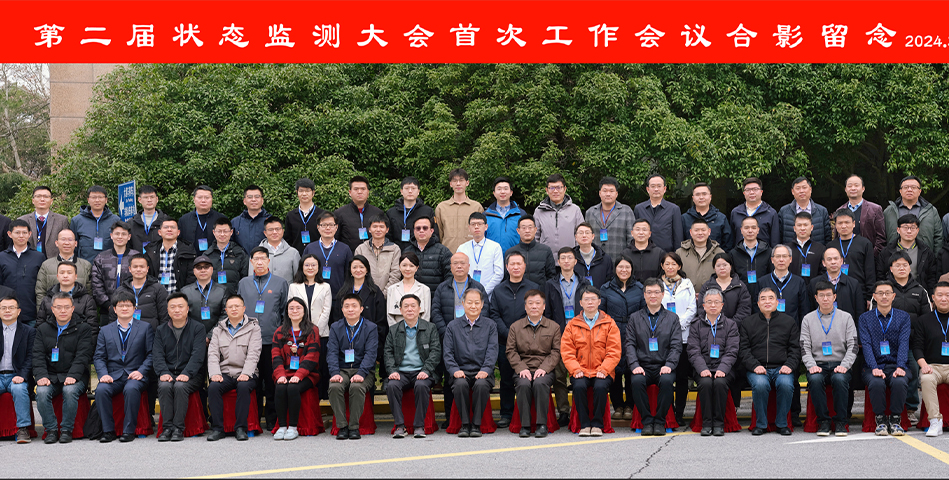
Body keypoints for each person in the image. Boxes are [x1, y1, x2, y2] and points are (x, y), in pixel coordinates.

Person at [431, 252, 487, 423]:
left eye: (463, 263)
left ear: (469, 266)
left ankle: (473, 419)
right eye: (455, 263)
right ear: (451, 267)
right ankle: (450, 418)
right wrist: (446, 332)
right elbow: (436, 311)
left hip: (472, 337)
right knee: (450, 378)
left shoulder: (478, 287)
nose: (459, 266)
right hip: (449, 338)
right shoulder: (442, 287)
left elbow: (484, 311)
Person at [33, 292, 95, 444]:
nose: (63, 311)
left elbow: (83, 356)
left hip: (76, 375)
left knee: (70, 390)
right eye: (58, 307)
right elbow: (37, 355)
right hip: (51, 375)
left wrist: (73, 375)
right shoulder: (43, 329)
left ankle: (67, 430)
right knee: (41, 392)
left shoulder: (83, 328)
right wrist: (41, 376)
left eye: (66, 307)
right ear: (52, 309)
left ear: (73, 308)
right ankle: (51, 430)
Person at [239, 246, 290, 430]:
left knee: (271, 380)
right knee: (253, 380)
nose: (259, 262)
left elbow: (284, 311)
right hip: (248, 340)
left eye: (263, 258)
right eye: (256, 259)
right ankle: (254, 417)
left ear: (269, 261)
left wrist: (282, 336)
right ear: (251, 262)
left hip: (271, 339)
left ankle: (271, 417)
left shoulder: (280, 283)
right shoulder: (244, 283)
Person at [94, 291, 154, 443]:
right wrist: (103, 374)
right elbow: (99, 356)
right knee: (101, 389)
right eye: (121, 305)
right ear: (114, 309)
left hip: (136, 374)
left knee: (131, 388)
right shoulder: (105, 330)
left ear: (134, 308)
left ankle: (128, 431)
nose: (125, 308)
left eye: (128, 305)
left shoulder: (145, 328)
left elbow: (151, 354)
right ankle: (108, 431)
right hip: (113, 375)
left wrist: (141, 371)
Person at [488, 251, 540, 427]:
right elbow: (494, 314)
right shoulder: (498, 290)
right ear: (507, 267)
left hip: (529, 342)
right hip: (504, 341)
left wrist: (523, 334)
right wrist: (509, 333)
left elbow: (537, 313)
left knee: (527, 377)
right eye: (512, 264)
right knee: (506, 379)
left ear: (524, 266)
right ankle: (507, 413)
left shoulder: (533, 289)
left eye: (519, 264)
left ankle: (527, 413)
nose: (516, 267)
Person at [801, 280, 859, 436]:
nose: (825, 299)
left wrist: (845, 365)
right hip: (818, 364)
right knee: (815, 379)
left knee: (839, 379)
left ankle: (841, 421)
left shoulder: (846, 317)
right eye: (821, 295)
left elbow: (853, 345)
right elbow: (804, 347)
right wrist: (811, 365)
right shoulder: (808, 319)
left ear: (834, 297)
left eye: (828, 295)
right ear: (816, 298)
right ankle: (823, 422)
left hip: (840, 363)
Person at [561, 287, 622, 437]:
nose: (590, 302)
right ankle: (584, 424)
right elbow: (567, 352)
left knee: (600, 387)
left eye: (593, 299)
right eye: (586, 299)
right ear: (580, 303)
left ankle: (597, 424)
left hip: (602, 370)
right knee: (579, 386)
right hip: (580, 369)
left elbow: (614, 351)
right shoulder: (572, 325)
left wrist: (604, 369)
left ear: (599, 302)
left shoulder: (609, 323)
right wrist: (575, 369)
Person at [740, 288, 800, 436]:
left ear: (777, 302)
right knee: (760, 384)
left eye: (771, 298)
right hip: (757, 368)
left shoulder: (788, 322)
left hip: (782, 368)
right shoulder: (748, 323)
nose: (767, 301)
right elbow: (743, 350)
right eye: (763, 298)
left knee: (786, 384)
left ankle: (782, 424)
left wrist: (789, 365)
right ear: (758, 303)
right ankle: (761, 424)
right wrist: (755, 365)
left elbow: (795, 349)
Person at [627, 279, 681, 436]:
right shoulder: (635, 318)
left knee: (667, 381)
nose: (653, 295)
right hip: (642, 365)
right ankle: (647, 421)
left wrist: (669, 365)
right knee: (636, 381)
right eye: (649, 292)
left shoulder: (672, 318)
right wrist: (634, 365)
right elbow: (630, 344)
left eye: (656, 292)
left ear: (663, 294)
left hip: (663, 365)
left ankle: (659, 421)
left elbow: (676, 346)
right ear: (644, 295)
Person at [506, 289, 561, 438]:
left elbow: (556, 351)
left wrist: (544, 368)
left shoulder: (554, 327)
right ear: (525, 307)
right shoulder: (515, 327)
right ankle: (525, 425)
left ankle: (541, 424)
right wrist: (521, 368)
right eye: (530, 303)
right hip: (523, 368)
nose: (534, 306)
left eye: (538, 303)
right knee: (523, 384)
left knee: (540, 383)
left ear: (544, 306)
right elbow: (511, 351)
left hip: (544, 369)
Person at [443, 288, 498, 438]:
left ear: (482, 304)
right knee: (460, 384)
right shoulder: (452, 326)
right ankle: (465, 424)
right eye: (469, 302)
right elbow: (447, 353)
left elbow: (492, 351)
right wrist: (454, 370)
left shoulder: (490, 325)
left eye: (476, 303)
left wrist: (486, 369)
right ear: (463, 304)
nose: (473, 306)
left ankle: (476, 425)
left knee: (481, 385)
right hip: (461, 370)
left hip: (482, 371)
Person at [861, 280, 913, 436]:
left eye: (887, 293)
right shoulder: (865, 318)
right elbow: (866, 345)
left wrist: (900, 366)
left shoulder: (903, 317)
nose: (884, 296)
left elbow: (904, 343)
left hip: (897, 364)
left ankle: (895, 420)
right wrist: (874, 367)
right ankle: (881, 420)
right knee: (876, 382)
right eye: (880, 293)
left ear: (893, 296)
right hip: (873, 365)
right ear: (874, 296)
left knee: (900, 381)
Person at [385, 293, 441, 439]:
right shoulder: (393, 330)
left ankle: (419, 426)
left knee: (421, 385)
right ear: (401, 310)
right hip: (401, 372)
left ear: (419, 309)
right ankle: (400, 425)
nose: (409, 309)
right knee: (392, 386)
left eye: (413, 306)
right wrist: (392, 371)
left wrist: (426, 370)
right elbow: (388, 353)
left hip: (422, 371)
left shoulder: (430, 328)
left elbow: (435, 352)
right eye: (406, 306)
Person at [207, 295, 261, 442]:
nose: (234, 309)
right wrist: (215, 374)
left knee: (243, 386)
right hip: (225, 373)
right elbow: (212, 354)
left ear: (244, 308)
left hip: (246, 373)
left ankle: (240, 428)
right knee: (213, 387)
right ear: (226, 310)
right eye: (230, 307)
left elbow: (254, 354)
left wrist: (246, 373)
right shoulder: (218, 330)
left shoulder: (254, 328)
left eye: (237, 306)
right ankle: (218, 429)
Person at [154, 293, 207, 442]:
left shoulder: (198, 328)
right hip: (169, 372)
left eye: (180, 306)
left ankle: (178, 428)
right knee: (164, 386)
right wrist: (163, 372)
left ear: (187, 309)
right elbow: (157, 355)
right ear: (168, 310)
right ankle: (167, 428)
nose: (177, 310)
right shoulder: (161, 330)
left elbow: (198, 355)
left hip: (192, 374)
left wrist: (187, 373)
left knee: (180, 386)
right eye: (172, 307)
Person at [688, 288, 740, 436]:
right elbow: (693, 350)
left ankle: (718, 423)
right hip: (703, 367)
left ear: (722, 305)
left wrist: (722, 369)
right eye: (709, 302)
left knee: (720, 383)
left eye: (716, 302)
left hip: (724, 368)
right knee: (705, 383)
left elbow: (732, 350)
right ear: (703, 305)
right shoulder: (696, 324)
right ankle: (706, 423)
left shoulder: (730, 325)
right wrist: (702, 369)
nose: (713, 305)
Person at [327, 293, 378, 440]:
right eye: (347, 306)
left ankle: (354, 427)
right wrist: (335, 373)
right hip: (342, 370)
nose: (350, 309)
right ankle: (342, 426)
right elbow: (332, 352)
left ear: (361, 309)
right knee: (334, 386)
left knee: (357, 387)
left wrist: (361, 373)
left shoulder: (371, 327)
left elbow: (370, 354)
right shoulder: (335, 327)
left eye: (354, 306)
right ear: (342, 309)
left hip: (363, 370)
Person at [600, 255, 645, 420]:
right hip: (613, 331)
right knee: (615, 369)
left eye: (627, 267)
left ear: (632, 269)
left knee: (632, 367)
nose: (623, 270)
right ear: (615, 269)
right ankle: (618, 405)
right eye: (620, 267)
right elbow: (602, 313)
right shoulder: (606, 288)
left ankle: (630, 406)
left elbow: (643, 312)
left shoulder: (639, 288)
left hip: (634, 331)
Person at [543, 247, 584, 426]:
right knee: (559, 376)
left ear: (575, 261)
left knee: (579, 373)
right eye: (563, 258)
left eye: (569, 258)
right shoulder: (550, 284)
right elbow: (547, 312)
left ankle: (578, 410)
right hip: (558, 334)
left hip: (580, 334)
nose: (566, 261)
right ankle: (564, 411)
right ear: (558, 262)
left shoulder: (584, 283)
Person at [271, 297, 321, 441]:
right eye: (291, 308)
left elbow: (312, 357)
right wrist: (280, 375)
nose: (295, 311)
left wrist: (299, 375)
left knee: (293, 387)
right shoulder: (279, 332)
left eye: (298, 308)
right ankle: (282, 427)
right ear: (286, 312)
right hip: (285, 372)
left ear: (304, 311)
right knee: (280, 387)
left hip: (308, 374)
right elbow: (276, 357)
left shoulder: (312, 330)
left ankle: (293, 427)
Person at [332, 255, 387, 374]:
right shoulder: (343, 292)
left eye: (361, 267)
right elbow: (337, 318)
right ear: (350, 270)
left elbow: (381, 320)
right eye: (354, 267)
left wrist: (377, 347)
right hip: (346, 342)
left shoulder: (375, 292)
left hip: (368, 342)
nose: (358, 270)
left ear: (367, 270)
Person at [660, 252, 698, 425]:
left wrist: (678, 324)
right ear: (662, 266)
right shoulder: (658, 285)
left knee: (682, 378)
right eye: (667, 264)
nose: (670, 267)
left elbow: (692, 308)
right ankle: (668, 413)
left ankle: (680, 413)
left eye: (674, 264)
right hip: (664, 337)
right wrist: (669, 326)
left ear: (679, 266)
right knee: (667, 376)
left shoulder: (687, 284)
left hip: (684, 336)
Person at [288, 254, 332, 400]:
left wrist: (315, 331)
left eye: (313, 265)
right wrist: (304, 332)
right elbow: (292, 309)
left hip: (321, 334)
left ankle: (322, 398)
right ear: (302, 267)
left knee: (320, 367)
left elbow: (326, 310)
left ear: (318, 267)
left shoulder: (325, 287)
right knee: (304, 366)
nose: (310, 268)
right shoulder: (294, 287)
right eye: (307, 265)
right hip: (300, 335)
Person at [913, 282, 949, 436]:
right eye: (940, 295)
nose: (944, 298)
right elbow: (917, 347)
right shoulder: (924, 320)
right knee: (926, 379)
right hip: (932, 366)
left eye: (947, 295)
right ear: (933, 298)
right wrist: (923, 365)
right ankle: (935, 421)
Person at [0, 295, 35, 444]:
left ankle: (23, 429)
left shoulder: (29, 331)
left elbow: (31, 357)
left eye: (11, 308)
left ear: (18, 311)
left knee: (19, 389)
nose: (7, 311)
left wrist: (22, 375)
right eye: (3, 308)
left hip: (17, 375)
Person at [91, 222, 139, 323]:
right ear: (111, 236)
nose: (120, 237)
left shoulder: (136, 257)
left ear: (129, 237)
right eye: (117, 234)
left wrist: (131, 304)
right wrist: (108, 305)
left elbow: (142, 281)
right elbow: (96, 284)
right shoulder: (101, 258)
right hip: (107, 310)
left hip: (131, 309)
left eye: (123, 234)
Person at [0, 219, 45, 326]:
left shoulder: (39, 257)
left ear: (29, 234)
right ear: (9, 234)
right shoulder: (2, 257)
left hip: (31, 313)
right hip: (7, 313)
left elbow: (42, 286)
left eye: (24, 232)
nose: (21, 236)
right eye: (17, 232)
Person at [879, 214, 938, 293]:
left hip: (919, 294)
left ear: (917, 230)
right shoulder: (887, 251)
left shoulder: (926, 252)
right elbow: (880, 275)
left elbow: (931, 277)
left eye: (913, 228)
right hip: (892, 293)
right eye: (905, 227)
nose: (909, 231)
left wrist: (929, 296)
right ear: (898, 230)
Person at [882, 175, 941, 252]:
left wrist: (936, 258)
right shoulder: (889, 211)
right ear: (900, 191)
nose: (909, 190)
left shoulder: (931, 211)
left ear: (919, 191)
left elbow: (938, 237)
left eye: (913, 187)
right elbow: (882, 237)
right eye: (906, 187)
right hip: (895, 257)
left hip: (925, 257)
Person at [35, 229, 92, 306]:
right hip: (53, 311)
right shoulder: (46, 265)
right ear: (56, 243)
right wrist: (43, 311)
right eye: (63, 239)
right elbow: (40, 292)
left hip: (79, 311)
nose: (67, 243)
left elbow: (89, 293)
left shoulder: (86, 265)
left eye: (70, 240)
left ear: (75, 243)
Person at [303, 212, 354, 296]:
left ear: (336, 227)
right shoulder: (310, 248)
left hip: (339, 296)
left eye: (331, 225)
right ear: (318, 227)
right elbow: (303, 272)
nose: (328, 228)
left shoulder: (345, 249)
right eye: (324, 225)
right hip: (314, 296)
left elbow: (349, 274)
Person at [585, 177, 636, 262]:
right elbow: (586, 238)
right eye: (605, 191)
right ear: (600, 193)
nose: (608, 194)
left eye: (611, 191)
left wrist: (626, 260)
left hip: (619, 261)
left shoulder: (626, 211)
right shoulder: (590, 212)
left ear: (616, 194)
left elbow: (632, 239)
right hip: (595, 261)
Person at [534, 173, 584, 258]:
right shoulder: (539, 211)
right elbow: (535, 237)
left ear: (564, 189)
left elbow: (580, 235)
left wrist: (576, 256)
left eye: (558, 187)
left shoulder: (575, 210)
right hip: (546, 259)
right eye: (552, 188)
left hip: (569, 260)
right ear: (547, 190)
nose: (555, 191)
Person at [435, 168, 485, 253]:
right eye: (455, 181)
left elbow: (481, 232)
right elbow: (439, 233)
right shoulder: (441, 208)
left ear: (467, 183)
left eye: (461, 180)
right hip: (447, 254)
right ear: (451, 184)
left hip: (471, 254)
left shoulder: (476, 207)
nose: (458, 183)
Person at [35, 261, 97, 329]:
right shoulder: (47, 299)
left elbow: (92, 326)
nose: (65, 276)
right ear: (57, 276)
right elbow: (40, 324)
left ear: (76, 276)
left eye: (69, 273)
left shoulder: (87, 300)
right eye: (62, 273)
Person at [758, 245, 811, 323]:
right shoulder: (762, 282)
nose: (781, 260)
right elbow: (757, 308)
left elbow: (804, 309)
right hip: (768, 327)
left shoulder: (799, 282)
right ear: (772, 260)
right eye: (778, 256)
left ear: (790, 259)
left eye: (784, 256)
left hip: (792, 327)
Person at [143, 218, 197, 295]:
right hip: (156, 297)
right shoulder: (150, 251)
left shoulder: (188, 251)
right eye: (166, 227)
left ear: (178, 232)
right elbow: (147, 275)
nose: (169, 230)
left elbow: (191, 276)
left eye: (173, 227)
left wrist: (183, 295)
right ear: (159, 232)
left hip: (179, 296)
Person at [456, 212, 504, 296]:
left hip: (489, 294)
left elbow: (499, 274)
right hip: (466, 294)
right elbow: (458, 272)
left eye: (479, 224)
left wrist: (484, 291)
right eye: (473, 224)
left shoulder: (495, 247)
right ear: (469, 228)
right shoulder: (462, 248)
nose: (476, 227)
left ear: (486, 227)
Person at [837, 174, 886, 255]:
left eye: (856, 185)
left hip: (869, 256)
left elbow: (881, 238)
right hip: (845, 256)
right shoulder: (840, 210)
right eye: (850, 186)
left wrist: (870, 256)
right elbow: (837, 237)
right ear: (845, 189)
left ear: (863, 188)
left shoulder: (875, 209)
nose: (853, 188)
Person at [115, 254, 168, 329]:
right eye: (135, 267)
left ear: (147, 269)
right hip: (126, 332)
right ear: (130, 269)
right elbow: (113, 317)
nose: (138, 269)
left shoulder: (158, 289)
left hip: (150, 333)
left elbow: (164, 316)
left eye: (142, 267)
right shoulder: (121, 290)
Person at [810, 247, 865, 319]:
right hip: (821, 324)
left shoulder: (854, 284)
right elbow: (810, 309)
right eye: (829, 259)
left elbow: (859, 311)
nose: (833, 262)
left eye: (836, 258)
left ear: (841, 261)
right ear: (823, 263)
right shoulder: (814, 283)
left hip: (847, 324)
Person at [696, 253, 752, 324]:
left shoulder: (740, 286)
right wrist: (713, 323)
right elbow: (701, 308)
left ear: (730, 266)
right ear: (714, 268)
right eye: (718, 265)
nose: (722, 268)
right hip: (711, 326)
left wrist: (729, 325)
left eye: (725, 265)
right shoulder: (707, 286)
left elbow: (744, 310)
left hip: (735, 327)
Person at [634, 175, 683, 254]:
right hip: (643, 254)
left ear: (664, 189)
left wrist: (675, 256)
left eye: (659, 186)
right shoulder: (639, 209)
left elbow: (678, 236)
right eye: (653, 186)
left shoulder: (674, 209)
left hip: (666, 255)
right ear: (648, 189)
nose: (656, 189)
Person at [386, 176, 436, 253]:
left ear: (418, 191)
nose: (410, 191)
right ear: (401, 191)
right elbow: (387, 236)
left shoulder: (427, 211)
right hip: (397, 254)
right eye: (406, 188)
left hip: (421, 253)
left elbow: (434, 235)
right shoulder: (391, 213)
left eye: (413, 188)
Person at [402, 215, 452, 293]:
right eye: (418, 228)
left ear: (432, 231)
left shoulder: (443, 251)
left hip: (435, 296)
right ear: (414, 231)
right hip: (411, 296)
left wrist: (441, 294)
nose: (421, 231)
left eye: (425, 228)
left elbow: (450, 276)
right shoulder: (407, 251)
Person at [181, 255, 228, 336]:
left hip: (217, 337)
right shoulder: (185, 291)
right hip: (191, 337)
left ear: (212, 269)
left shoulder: (223, 290)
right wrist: (195, 335)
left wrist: (210, 335)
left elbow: (225, 315)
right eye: (199, 268)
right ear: (194, 271)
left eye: (206, 267)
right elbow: (182, 316)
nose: (203, 270)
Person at [71, 186, 119, 264]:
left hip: (109, 265)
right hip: (85, 265)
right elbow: (73, 247)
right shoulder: (77, 221)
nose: (97, 200)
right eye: (93, 197)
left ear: (106, 200)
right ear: (88, 200)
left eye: (100, 197)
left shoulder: (115, 220)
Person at [833, 209, 875, 299]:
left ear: (853, 224)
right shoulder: (831, 246)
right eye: (840, 223)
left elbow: (870, 271)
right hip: (836, 292)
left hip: (860, 292)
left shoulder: (865, 244)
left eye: (847, 222)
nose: (843, 226)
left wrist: (869, 296)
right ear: (835, 225)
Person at [336, 176, 385, 252]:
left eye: (363, 189)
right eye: (356, 189)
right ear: (350, 192)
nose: (359, 192)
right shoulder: (340, 213)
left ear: (368, 192)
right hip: (349, 256)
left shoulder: (377, 212)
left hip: (373, 255)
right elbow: (336, 239)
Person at [354, 215, 401, 294]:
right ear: (369, 229)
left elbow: (395, 275)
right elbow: (357, 273)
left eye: (382, 227)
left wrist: (383, 295)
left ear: (387, 230)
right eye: (375, 226)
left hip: (388, 294)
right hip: (365, 294)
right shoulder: (361, 249)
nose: (378, 230)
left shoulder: (395, 249)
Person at [19, 185, 69, 258]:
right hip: (28, 261)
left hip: (54, 261)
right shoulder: (22, 220)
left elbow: (66, 244)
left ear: (51, 201)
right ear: (33, 200)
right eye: (38, 196)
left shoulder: (62, 220)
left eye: (46, 196)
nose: (42, 199)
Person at [729, 216, 772, 301]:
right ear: (741, 230)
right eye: (746, 228)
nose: (750, 231)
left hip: (764, 297)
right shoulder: (733, 253)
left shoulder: (768, 252)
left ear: (758, 230)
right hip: (741, 297)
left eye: (753, 227)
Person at [507, 215, 557, 286]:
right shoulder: (510, 252)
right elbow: (507, 276)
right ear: (518, 231)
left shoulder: (546, 250)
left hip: (540, 291)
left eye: (530, 227)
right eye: (524, 228)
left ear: (535, 230)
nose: (527, 231)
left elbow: (551, 276)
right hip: (518, 291)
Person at [730, 177, 781, 247]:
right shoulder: (735, 212)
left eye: (755, 189)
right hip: (740, 253)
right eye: (748, 190)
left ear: (761, 192)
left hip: (764, 253)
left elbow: (775, 240)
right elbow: (731, 239)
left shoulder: (771, 213)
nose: (751, 192)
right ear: (744, 193)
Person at [779, 177, 831, 245]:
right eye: (798, 188)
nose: (801, 191)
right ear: (792, 191)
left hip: (816, 251)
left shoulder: (822, 211)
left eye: (804, 187)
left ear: (810, 189)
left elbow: (828, 237)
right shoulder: (784, 211)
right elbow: (779, 236)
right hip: (791, 250)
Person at [683, 182, 733, 251]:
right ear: (693, 198)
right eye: (697, 194)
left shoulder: (721, 218)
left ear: (710, 197)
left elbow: (728, 243)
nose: (701, 197)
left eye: (704, 194)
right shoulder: (684, 218)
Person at [386, 252, 432, 325]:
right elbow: (389, 316)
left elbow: (426, 315)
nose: (407, 269)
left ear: (416, 268)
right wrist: (395, 330)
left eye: (411, 266)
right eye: (404, 265)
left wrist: (419, 330)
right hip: (396, 329)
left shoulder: (424, 289)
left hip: (419, 329)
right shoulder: (391, 289)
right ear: (399, 267)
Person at [206, 217, 249, 296]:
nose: (222, 234)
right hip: (213, 297)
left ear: (231, 232)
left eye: (225, 231)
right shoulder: (207, 255)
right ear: (214, 232)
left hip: (234, 297)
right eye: (219, 231)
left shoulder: (240, 254)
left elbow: (245, 278)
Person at [676, 218, 724, 287]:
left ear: (709, 231)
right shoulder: (680, 253)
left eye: (703, 230)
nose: (700, 233)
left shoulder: (719, 252)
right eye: (696, 230)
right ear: (690, 232)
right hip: (686, 293)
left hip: (713, 293)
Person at [177, 185, 227, 251]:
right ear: (194, 199)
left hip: (215, 256)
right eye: (200, 197)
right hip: (190, 256)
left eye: (207, 197)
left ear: (212, 199)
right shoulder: (184, 220)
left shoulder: (221, 219)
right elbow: (179, 242)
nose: (203, 200)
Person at [284, 178, 326, 255]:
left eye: (307, 191)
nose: (304, 194)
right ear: (297, 192)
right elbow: (288, 239)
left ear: (313, 193)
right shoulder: (291, 215)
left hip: (318, 256)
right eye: (301, 191)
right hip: (296, 256)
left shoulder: (322, 214)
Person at [253, 217, 300, 284]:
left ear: (283, 231)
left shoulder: (293, 253)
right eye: (271, 230)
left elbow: (298, 279)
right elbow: (251, 279)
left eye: (277, 229)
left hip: (286, 290)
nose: (274, 232)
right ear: (265, 233)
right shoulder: (255, 253)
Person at [485, 177, 524, 254]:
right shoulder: (486, 215)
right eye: (499, 189)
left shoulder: (521, 214)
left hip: (515, 257)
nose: (502, 192)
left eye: (506, 189)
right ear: (494, 193)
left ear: (511, 192)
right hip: (491, 257)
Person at [231, 185, 273, 255]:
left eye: (257, 197)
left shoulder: (271, 221)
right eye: (250, 197)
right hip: (241, 261)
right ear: (244, 201)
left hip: (265, 260)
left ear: (262, 200)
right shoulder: (235, 222)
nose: (253, 199)